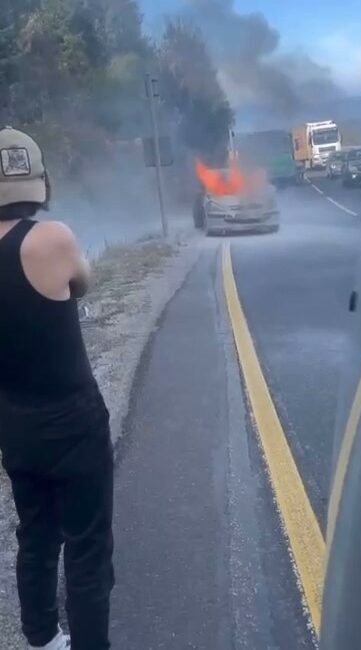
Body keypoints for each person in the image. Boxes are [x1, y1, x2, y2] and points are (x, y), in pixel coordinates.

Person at [0, 127, 114, 650]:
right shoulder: (53, 239)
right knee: (87, 548)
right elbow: (82, 282)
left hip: (15, 424)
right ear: (38, 182)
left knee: (36, 537)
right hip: (73, 421)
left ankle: (43, 639)